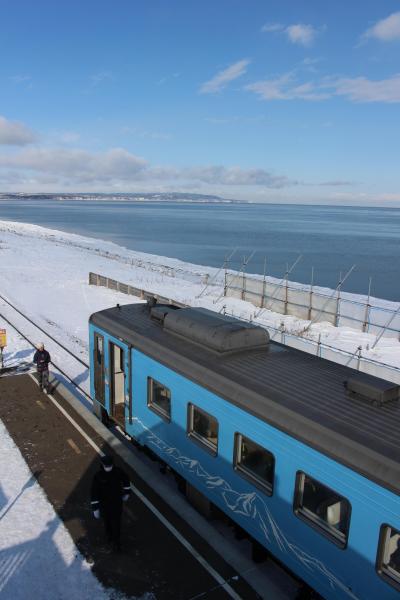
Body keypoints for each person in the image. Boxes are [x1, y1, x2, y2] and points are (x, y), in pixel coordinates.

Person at [91, 455, 131, 551]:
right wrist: (95, 508)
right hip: (109, 504)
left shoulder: (101, 475)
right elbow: (94, 492)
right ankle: (111, 538)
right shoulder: (101, 475)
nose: (108, 467)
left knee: (114, 523)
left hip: (113, 504)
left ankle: (115, 542)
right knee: (110, 522)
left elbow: (126, 480)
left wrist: (127, 492)